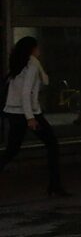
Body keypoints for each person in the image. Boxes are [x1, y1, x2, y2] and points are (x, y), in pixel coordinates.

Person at [2, 37, 68, 197]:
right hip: (28, 113)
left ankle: (55, 185)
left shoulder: (20, 65)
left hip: (15, 112)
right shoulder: (31, 65)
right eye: (36, 47)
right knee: (52, 144)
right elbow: (27, 92)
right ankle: (55, 185)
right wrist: (30, 118)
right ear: (32, 49)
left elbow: (43, 81)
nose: (39, 50)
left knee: (12, 149)